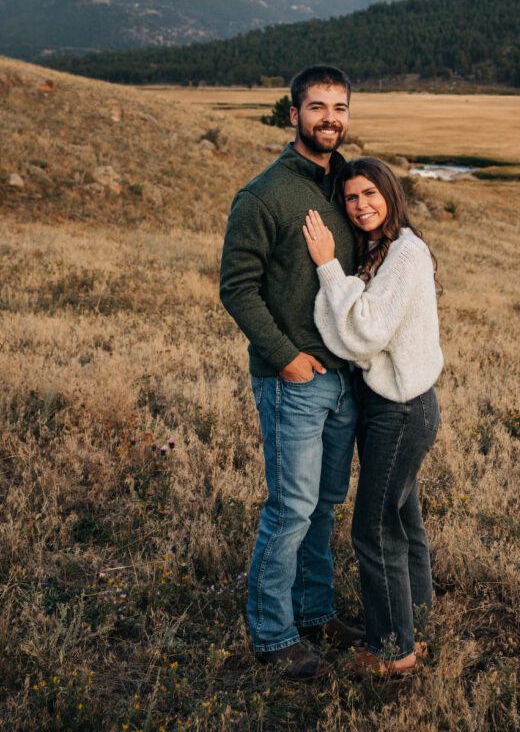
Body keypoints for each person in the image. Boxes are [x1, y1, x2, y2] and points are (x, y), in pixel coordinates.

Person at [219, 65, 363, 680]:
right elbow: (237, 288)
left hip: (344, 381)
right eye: (316, 107)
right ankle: (273, 634)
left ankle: (313, 611)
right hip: (294, 382)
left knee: (325, 507)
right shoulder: (262, 195)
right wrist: (285, 358)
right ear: (292, 114)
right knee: (291, 510)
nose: (329, 117)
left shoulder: (350, 186)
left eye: (339, 107)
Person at [303, 156, 443, 676]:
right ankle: (417, 626)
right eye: (351, 198)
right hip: (390, 405)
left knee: (373, 527)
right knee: (403, 518)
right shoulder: (378, 252)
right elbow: (354, 326)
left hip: (401, 410)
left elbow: (362, 330)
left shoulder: (405, 252)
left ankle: (393, 649)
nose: (360, 206)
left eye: (369, 194)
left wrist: (325, 265)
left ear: (390, 193)